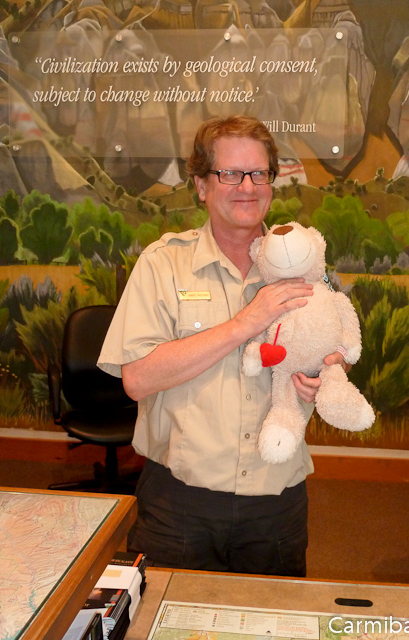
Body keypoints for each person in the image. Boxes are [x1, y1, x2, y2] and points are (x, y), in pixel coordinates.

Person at [97, 114, 348, 576]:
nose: (247, 187)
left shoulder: (306, 265)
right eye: (230, 173)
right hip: (179, 504)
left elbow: (335, 348)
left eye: (258, 173)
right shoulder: (163, 265)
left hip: (276, 502)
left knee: (273, 615)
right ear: (201, 185)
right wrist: (244, 323)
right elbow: (137, 378)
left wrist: (329, 371)